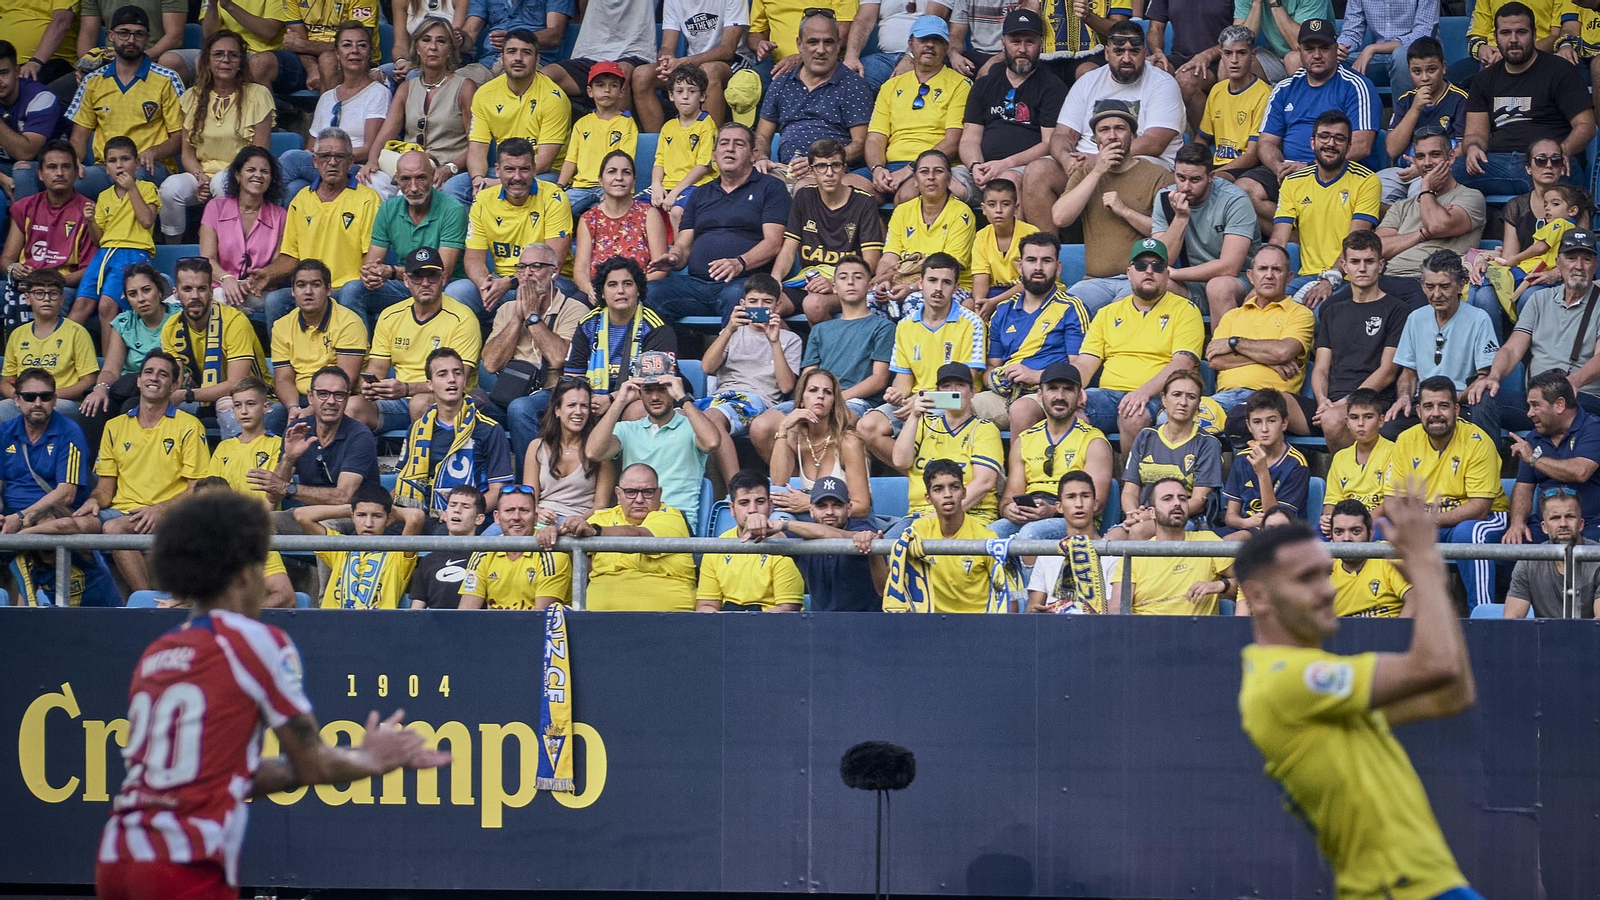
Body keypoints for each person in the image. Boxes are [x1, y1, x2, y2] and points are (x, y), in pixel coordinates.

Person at [94, 489, 447, 900]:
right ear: (246, 574)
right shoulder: (254, 642)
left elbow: (217, 777)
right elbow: (312, 763)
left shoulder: (157, 653)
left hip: (118, 855)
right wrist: (369, 759)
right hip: (183, 861)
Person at [1234, 500, 1480, 900]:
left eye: (1326, 574)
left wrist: (1432, 582)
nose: (1328, 590)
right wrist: (1424, 564)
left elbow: (1454, 695)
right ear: (1258, 597)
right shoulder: (1283, 679)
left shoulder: (1314, 684)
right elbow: (1437, 665)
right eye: (1307, 578)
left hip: (1429, 887)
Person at [58, 351, 209, 591]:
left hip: (169, 513)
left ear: (174, 385)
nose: (154, 378)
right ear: (138, 380)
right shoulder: (114, 426)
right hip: (121, 511)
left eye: (163, 374)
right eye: (148, 372)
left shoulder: (190, 426)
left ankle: (145, 600)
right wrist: (94, 501)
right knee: (70, 525)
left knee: (114, 529)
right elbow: (105, 489)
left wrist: (159, 509)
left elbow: (198, 489)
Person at [1237, 20, 1380, 233]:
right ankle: (1301, 240)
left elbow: (1362, 145)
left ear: (1336, 49)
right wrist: (1279, 168)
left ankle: (1310, 240)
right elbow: (1266, 142)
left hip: (1338, 170)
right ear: (1299, 51)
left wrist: (1310, 168)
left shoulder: (1356, 85)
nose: (1317, 55)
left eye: (1324, 48)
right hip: (1288, 170)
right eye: (1309, 48)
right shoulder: (1284, 88)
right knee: (1243, 191)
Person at [1382, 375, 1510, 608]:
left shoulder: (1478, 441)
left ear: (1456, 410)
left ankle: (1482, 614)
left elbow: (1480, 508)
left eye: (1443, 406)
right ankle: (1397, 615)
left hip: (1483, 518)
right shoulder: (1405, 440)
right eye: (1428, 406)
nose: (1436, 414)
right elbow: (1391, 500)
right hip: (1428, 521)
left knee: (1469, 534)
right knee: (1380, 533)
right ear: (1418, 411)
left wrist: (1427, 520)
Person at [750, 256, 894, 459]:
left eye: (858, 277)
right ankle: (795, 477)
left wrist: (835, 399)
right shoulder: (820, 330)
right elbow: (809, 375)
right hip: (816, 398)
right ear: (834, 287)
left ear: (869, 285)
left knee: (830, 422)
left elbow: (879, 379)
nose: (850, 282)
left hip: (856, 401)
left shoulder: (883, 327)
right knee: (761, 426)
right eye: (843, 277)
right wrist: (808, 400)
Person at [648, 122, 790, 321]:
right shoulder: (699, 194)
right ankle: (678, 342)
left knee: (743, 298)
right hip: (696, 285)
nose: (730, 148)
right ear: (714, 155)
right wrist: (674, 257)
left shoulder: (771, 187)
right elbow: (683, 245)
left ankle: (729, 343)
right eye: (724, 143)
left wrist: (740, 263)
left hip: (745, 281)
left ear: (753, 155)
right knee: (649, 292)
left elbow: (774, 243)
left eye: (738, 144)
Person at [1074, 237, 1204, 449]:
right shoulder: (1107, 313)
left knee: (1133, 415)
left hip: (1158, 397)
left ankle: (1130, 472)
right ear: (1129, 273)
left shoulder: (1185, 310)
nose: (1149, 271)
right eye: (1141, 265)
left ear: (1167, 274)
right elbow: (1085, 363)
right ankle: (1091, 470)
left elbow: (1183, 364)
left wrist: (1143, 392)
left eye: (1157, 266)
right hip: (1109, 394)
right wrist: (1071, 387)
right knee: (1068, 409)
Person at [1458, 2, 1595, 198]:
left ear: (1533, 34)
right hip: (1497, 164)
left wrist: (1563, 150)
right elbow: (1475, 134)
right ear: (1495, 36)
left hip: (1548, 161)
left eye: (1521, 32)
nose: (1513, 40)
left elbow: (1586, 126)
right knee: (1450, 171)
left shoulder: (1561, 71)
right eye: (1505, 33)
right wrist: (1473, 148)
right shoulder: (1483, 79)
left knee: (1553, 172)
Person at [857, 253, 985, 462]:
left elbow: (963, 387)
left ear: (956, 288)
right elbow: (903, 383)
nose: (938, 288)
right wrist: (895, 395)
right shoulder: (905, 325)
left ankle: (929, 473)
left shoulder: (971, 323)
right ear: (921, 283)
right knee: (866, 426)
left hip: (954, 402)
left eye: (946, 282)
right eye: (932, 280)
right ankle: (920, 472)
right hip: (915, 401)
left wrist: (924, 400)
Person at [1047, 102, 1174, 312]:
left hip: (1139, 279)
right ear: (1096, 139)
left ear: (1132, 135)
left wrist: (1125, 212)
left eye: (1120, 128)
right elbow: (1060, 217)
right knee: (1062, 312)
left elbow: (1168, 234)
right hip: (1094, 282)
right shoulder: (1084, 174)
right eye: (1104, 130)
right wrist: (1097, 171)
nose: (1112, 136)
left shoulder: (1157, 175)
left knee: (1118, 312)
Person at [1472, 229, 1600, 428]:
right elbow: (1512, 349)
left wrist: (1573, 382)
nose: (1578, 266)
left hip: (1580, 398)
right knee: (1483, 399)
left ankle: (1540, 447)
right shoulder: (1539, 299)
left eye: (1587, 259)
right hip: (1537, 400)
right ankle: (1496, 452)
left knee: (1562, 411)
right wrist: (1494, 377)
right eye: (1571, 258)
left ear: (1596, 265)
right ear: (1558, 263)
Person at [259, 128, 384, 325]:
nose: (332, 162)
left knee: (351, 292)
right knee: (275, 300)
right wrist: (268, 273)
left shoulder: (368, 199)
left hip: (345, 289)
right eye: (325, 156)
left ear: (351, 162)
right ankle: (283, 347)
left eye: (339, 156)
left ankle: (357, 345)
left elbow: (371, 257)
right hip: (310, 290)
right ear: (315, 161)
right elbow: (291, 257)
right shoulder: (301, 199)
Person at [351, 247, 484, 431]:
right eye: (417, 277)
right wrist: (369, 387)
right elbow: (377, 369)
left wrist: (406, 389)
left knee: (420, 403)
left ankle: (421, 451)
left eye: (432, 276)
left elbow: (456, 380)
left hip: (448, 400)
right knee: (352, 407)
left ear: (444, 279)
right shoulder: (390, 316)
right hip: (398, 400)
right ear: (406, 280)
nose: (425, 283)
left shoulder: (463, 318)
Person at [160, 30, 274, 243]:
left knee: (222, 182)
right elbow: (187, 154)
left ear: (241, 62)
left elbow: (260, 154)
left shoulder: (258, 95)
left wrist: (219, 178)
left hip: (242, 175)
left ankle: (226, 247)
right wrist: (200, 177)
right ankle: (173, 247)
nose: (225, 60)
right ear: (207, 60)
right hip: (201, 175)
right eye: (218, 54)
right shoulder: (192, 96)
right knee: (170, 188)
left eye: (233, 55)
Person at [538, 462, 698, 610]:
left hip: (668, 620)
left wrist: (596, 532)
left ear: (659, 493)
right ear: (618, 494)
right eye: (631, 492)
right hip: (599, 621)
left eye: (648, 492)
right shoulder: (601, 518)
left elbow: (640, 536)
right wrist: (554, 533)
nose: (639, 499)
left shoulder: (671, 516)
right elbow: (578, 545)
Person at [973, 231, 1087, 431]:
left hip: (1049, 392)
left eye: (1046, 261)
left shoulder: (1071, 308)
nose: (1038, 267)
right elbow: (991, 366)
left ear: (1058, 267)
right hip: (1005, 395)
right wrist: (994, 379)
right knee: (955, 405)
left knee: (1022, 409)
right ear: (1020, 266)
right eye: (1031, 260)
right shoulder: (1003, 310)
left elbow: (1079, 369)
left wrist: (1035, 376)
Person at [1467, 139, 1589, 325]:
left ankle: (1527, 344)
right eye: (1541, 160)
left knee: (1530, 296)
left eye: (1556, 160)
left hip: (1563, 276)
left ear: (1562, 165)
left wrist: (1555, 274)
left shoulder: (1576, 202)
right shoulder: (1516, 206)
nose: (1549, 165)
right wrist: (1487, 263)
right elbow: (1510, 257)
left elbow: (1583, 253)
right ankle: (1492, 344)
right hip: (1524, 273)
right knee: (1484, 296)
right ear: (1528, 168)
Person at [66, 6, 183, 198]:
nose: (131, 40)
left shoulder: (167, 78)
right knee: (73, 181)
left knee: (137, 177)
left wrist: (153, 152)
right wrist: (74, 162)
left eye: (138, 34)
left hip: (149, 166)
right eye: (124, 33)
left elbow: (180, 137)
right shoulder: (93, 81)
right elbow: (79, 137)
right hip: (105, 168)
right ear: (111, 35)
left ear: (147, 37)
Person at [557, 255, 676, 441]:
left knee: (637, 411)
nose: (620, 291)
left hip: (638, 399)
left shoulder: (656, 327)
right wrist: (586, 401)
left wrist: (612, 399)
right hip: (594, 400)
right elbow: (573, 377)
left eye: (627, 284)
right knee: (564, 407)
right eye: (612, 285)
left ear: (638, 290)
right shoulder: (588, 324)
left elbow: (655, 386)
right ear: (602, 293)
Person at [586, 368, 721, 532]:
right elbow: (593, 452)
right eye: (648, 390)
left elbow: (712, 442)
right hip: (629, 519)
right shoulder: (627, 429)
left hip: (673, 520)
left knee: (600, 534)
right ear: (640, 393)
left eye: (662, 389)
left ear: (672, 390)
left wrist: (683, 398)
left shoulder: (692, 427)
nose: (655, 397)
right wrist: (619, 401)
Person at [351, 150, 476, 327]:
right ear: (397, 180)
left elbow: (442, 273)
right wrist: (371, 274)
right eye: (405, 179)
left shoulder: (452, 209)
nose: (414, 187)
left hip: (440, 287)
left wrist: (392, 272)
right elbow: (372, 262)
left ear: (433, 176)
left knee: (455, 291)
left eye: (421, 178)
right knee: (353, 290)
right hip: (405, 284)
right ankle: (359, 344)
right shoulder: (388, 209)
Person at [1268, 111, 1382, 305]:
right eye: (1324, 136)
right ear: (1313, 142)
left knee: (1316, 310)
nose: (1331, 143)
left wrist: (1330, 279)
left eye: (1339, 139)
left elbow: (1355, 241)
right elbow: (1279, 239)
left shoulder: (1367, 181)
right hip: (1307, 276)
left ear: (1349, 146)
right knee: (1261, 308)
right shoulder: (1293, 182)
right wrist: (1263, 284)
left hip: (1349, 277)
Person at [698, 274, 803, 480]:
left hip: (757, 400)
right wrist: (729, 329)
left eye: (767, 302)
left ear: (777, 306)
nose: (759, 307)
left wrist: (774, 341)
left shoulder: (789, 339)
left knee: (712, 419)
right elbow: (707, 367)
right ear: (743, 304)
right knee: (681, 418)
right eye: (753, 301)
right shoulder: (731, 332)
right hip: (720, 398)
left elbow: (786, 386)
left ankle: (735, 487)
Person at [1387, 251, 1502, 439]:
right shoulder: (1415, 318)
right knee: (1388, 429)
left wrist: (1449, 401)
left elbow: (1484, 377)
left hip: (1461, 402)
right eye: (1430, 287)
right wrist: (1404, 397)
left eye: (1445, 286)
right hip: (1424, 403)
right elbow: (1408, 372)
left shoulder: (1479, 319)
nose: (1436, 294)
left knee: (1482, 410)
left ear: (1461, 285)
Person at [483, 241, 588, 444]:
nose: (527, 273)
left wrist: (532, 316)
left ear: (554, 272)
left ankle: (530, 466)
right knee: (471, 404)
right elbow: (490, 364)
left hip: (553, 393)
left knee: (520, 408)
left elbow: (558, 358)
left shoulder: (574, 309)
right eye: (522, 267)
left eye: (536, 266)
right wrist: (517, 319)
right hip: (510, 390)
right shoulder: (506, 309)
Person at [958, 10, 1065, 208]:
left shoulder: (1052, 87)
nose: (1022, 49)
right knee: (939, 179)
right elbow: (969, 138)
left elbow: (1049, 143)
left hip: (1023, 169)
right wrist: (975, 166)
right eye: (1015, 42)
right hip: (983, 169)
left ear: (1040, 45)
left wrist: (1006, 164)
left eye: (1030, 42)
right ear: (1003, 44)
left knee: (1007, 184)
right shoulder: (984, 84)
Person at [770, 138, 885, 323]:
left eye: (835, 165)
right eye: (821, 166)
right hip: (808, 281)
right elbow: (789, 249)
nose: (829, 173)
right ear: (811, 170)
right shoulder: (804, 196)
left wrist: (833, 282)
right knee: (762, 307)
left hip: (847, 284)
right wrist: (775, 278)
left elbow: (870, 263)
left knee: (813, 304)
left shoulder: (864, 202)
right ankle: (792, 342)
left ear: (844, 168)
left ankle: (824, 343)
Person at [451, 29, 571, 205]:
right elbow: (477, 147)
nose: (518, 58)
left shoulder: (554, 98)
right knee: (455, 187)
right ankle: (475, 224)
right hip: (504, 170)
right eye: (511, 52)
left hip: (543, 174)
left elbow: (545, 161)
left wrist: (498, 184)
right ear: (502, 58)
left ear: (537, 59)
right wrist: (478, 179)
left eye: (526, 52)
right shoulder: (485, 94)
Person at [994, 362, 1111, 544]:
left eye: (1068, 389)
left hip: (1073, 521)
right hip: (1030, 513)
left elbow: (1095, 504)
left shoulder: (1094, 442)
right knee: (991, 534)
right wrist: (1009, 509)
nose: (1060, 396)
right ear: (1040, 395)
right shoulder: (1024, 440)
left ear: (1079, 396)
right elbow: (1009, 497)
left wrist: (1053, 510)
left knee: (1031, 534)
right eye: (1053, 389)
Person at [392, 347, 515, 518]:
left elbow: (498, 490)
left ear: (464, 380)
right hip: (419, 514)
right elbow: (402, 482)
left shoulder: (490, 429)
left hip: (467, 519)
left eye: (457, 373)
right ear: (430, 384)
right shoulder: (417, 429)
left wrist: (460, 514)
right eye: (442, 374)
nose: (451, 379)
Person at [863, 16, 974, 204]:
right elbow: (875, 137)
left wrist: (910, 169)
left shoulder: (960, 84)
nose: (930, 45)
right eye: (923, 39)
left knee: (907, 196)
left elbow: (953, 141)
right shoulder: (891, 85)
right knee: (848, 189)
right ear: (910, 44)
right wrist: (877, 169)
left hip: (931, 166)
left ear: (946, 47)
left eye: (937, 40)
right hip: (889, 165)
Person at [1311, 235, 1408, 448]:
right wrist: (1322, 400)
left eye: (1369, 261)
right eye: (1355, 262)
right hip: (1330, 404)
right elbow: (1320, 369)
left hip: (1373, 401)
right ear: (1344, 266)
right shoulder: (1332, 311)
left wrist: (1346, 402)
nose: (1362, 268)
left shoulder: (1397, 310)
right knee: (1273, 407)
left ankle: (1346, 470)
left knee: (1332, 419)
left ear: (1381, 265)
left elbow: (1388, 371)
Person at [1205, 246, 1316, 428]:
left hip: (1269, 400)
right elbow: (1215, 360)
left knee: (1237, 421)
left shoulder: (1300, 314)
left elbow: (1283, 352)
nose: (1269, 275)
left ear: (1289, 277)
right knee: (1168, 419)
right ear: (1250, 276)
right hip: (1224, 398)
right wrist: (1269, 361)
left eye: (1277, 269)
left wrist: (1234, 343)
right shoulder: (1232, 316)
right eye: (1263, 269)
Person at [161, 256, 272, 438]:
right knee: (157, 406)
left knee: (226, 405)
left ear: (211, 292)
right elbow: (175, 383)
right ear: (176, 293)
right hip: (202, 395)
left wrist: (188, 395)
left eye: (201, 289)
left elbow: (236, 385)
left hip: (251, 398)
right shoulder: (171, 328)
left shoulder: (234, 322)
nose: (195, 296)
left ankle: (236, 455)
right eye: (187, 289)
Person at [463, 137, 573, 316]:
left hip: (548, 281)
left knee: (531, 291)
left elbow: (553, 263)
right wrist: (485, 284)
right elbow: (473, 259)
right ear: (497, 170)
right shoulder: (483, 201)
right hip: (501, 281)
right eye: (509, 169)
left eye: (524, 169)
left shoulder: (554, 197)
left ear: (534, 169)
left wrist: (510, 283)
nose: (517, 177)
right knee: (459, 292)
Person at [1052, 20, 1185, 168]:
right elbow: (1062, 134)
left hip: (1139, 161)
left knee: (1130, 167)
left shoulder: (1163, 83)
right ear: (1107, 53)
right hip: (1085, 161)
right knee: (1040, 170)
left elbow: (1154, 143)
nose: (1126, 59)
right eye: (1119, 52)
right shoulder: (1088, 81)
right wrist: (1067, 159)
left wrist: (1098, 160)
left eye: (1134, 52)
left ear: (1144, 53)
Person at [754, 11, 874, 175]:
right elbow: (762, 136)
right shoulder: (781, 84)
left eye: (828, 42)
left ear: (838, 44)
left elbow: (860, 144)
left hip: (832, 173)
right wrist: (762, 158)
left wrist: (822, 161)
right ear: (799, 44)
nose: (821, 50)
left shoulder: (854, 85)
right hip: (786, 171)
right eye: (813, 42)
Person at [1151, 142, 1257, 323]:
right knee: (1156, 283)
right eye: (1180, 177)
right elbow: (1162, 259)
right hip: (1192, 284)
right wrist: (1180, 218)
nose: (1185, 187)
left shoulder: (1235, 200)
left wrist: (1176, 274)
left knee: (1218, 286)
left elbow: (1229, 267)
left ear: (1211, 176)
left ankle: (1222, 342)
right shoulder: (1165, 199)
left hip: (1237, 281)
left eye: (1195, 180)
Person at [884, 458, 1006, 613]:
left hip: (977, 623)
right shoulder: (917, 531)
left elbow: (1007, 597)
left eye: (954, 487)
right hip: (931, 623)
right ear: (928, 498)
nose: (947, 494)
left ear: (964, 492)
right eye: (938, 489)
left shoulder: (987, 538)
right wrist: (873, 554)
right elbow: (887, 588)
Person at [369, 17, 475, 192]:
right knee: (371, 181)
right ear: (417, 48)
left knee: (415, 191)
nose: (433, 47)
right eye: (426, 40)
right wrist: (372, 162)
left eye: (441, 41)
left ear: (450, 49)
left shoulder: (465, 87)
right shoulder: (405, 88)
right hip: (406, 167)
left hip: (443, 170)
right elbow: (383, 137)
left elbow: (476, 144)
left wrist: (451, 167)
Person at [892, 362, 1005, 525]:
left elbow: (984, 483)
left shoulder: (984, 429)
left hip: (970, 516)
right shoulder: (924, 424)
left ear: (973, 392)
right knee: (888, 540)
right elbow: (900, 461)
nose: (953, 391)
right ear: (938, 393)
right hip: (918, 516)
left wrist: (935, 519)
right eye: (946, 386)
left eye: (960, 385)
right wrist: (914, 416)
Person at [870, 150, 978, 308]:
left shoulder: (961, 213)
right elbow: (889, 256)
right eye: (924, 172)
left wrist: (910, 286)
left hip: (948, 286)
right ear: (915, 180)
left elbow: (946, 266)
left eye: (938, 171)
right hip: (901, 281)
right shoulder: (902, 211)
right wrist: (884, 280)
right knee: (870, 301)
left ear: (949, 179)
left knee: (913, 303)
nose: (931, 177)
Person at [1375, 128, 1486, 281]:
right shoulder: (1401, 207)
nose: (1427, 163)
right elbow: (1377, 249)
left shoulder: (1470, 197)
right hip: (1388, 278)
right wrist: (1421, 233)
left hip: (1432, 283)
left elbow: (1436, 226)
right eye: (1420, 156)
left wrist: (1426, 187)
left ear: (1451, 157)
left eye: (1435, 155)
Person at [1504, 370, 1600, 545]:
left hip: (1591, 524)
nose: (1529, 413)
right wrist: (1517, 523)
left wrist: (1534, 459)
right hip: (1547, 527)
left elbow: (1581, 471)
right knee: (1516, 542)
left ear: (1559, 405)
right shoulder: (1533, 438)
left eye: (1535, 405)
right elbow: (1524, 487)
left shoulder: (1593, 429)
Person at [1112, 477, 1233, 614]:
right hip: (1145, 627)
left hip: (1195, 627)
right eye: (1167, 499)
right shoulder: (1134, 555)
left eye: (1182, 498)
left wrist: (1220, 585)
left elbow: (1246, 583)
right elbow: (1117, 609)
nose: (1177, 503)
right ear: (1151, 513)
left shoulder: (1208, 542)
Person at [1120, 370, 1224, 529]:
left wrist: (1151, 515)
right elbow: (1129, 491)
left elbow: (1198, 501)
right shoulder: (1145, 437)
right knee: (1113, 537)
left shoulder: (1208, 444)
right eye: (1177, 394)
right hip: (1142, 517)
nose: (1183, 402)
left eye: (1191, 397)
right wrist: (1133, 514)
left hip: (1185, 520)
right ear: (1164, 399)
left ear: (1198, 404)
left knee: (1139, 532)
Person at [296, 483, 428, 608]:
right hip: (334, 622)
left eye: (377, 516)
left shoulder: (397, 554)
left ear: (389, 519)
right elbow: (301, 516)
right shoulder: (341, 547)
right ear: (352, 516)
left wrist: (376, 508)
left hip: (376, 623)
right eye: (361, 515)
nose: (368, 523)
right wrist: (351, 508)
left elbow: (416, 517)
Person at [78, 265, 174, 436]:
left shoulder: (178, 318)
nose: (141, 299)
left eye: (146, 290)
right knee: (93, 408)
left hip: (160, 387)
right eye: (133, 294)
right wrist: (100, 389)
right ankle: (98, 455)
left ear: (159, 291)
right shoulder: (124, 322)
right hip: (128, 388)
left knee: (132, 408)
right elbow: (110, 370)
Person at [267, 366, 382, 507]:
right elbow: (273, 496)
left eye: (338, 395)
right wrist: (289, 458)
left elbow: (343, 497)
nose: (331, 401)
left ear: (347, 398)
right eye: (323, 394)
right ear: (310, 397)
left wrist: (288, 489)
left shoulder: (360, 436)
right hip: (309, 513)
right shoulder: (297, 429)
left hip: (351, 515)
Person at [269, 259, 369, 421]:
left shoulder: (349, 322)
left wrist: (310, 411)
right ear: (293, 291)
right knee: (270, 417)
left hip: (336, 399)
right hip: (300, 398)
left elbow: (346, 380)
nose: (308, 291)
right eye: (301, 285)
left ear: (328, 289)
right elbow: (283, 379)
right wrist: (293, 409)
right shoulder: (281, 326)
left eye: (315, 285)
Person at [84, 136, 160, 347]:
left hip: (133, 252)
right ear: (106, 168)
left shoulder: (147, 188)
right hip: (105, 254)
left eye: (125, 159)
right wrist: (90, 221)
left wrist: (132, 188)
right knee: (82, 304)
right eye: (113, 160)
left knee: (107, 306)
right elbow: (98, 240)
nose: (119, 165)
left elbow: (146, 220)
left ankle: (110, 362)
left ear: (137, 164)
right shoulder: (103, 196)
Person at [767, 367, 873, 518]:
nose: (820, 396)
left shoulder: (848, 443)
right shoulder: (795, 438)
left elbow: (862, 508)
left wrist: (811, 504)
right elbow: (779, 481)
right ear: (801, 400)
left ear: (833, 403)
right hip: (817, 517)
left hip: (850, 521)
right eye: (813, 390)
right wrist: (783, 428)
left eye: (827, 392)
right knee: (776, 501)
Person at [769, 475, 885, 611]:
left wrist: (784, 524)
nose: (829, 512)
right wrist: (757, 522)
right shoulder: (804, 532)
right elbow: (775, 538)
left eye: (837, 505)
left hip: (866, 620)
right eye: (821, 506)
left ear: (849, 509)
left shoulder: (862, 529)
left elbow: (883, 590)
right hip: (819, 621)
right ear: (811, 511)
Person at [2, 139, 95, 310]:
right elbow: (6, 259)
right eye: (52, 167)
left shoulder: (88, 211)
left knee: (55, 298)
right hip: (27, 282)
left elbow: (90, 270)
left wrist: (50, 284)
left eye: (66, 167)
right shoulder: (24, 207)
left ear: (76, 172)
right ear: (40, 173)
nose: (59, 173)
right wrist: (13, 268)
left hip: (63, 286)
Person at [695, 471, 805, 611]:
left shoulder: (784, 545)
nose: (752, 510)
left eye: (760, 502)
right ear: (732, 509)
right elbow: (706, 605)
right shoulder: (717, 547)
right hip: (728, 621)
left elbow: (787, 609)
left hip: (772, 622)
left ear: (770, 505)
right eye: (744, 503)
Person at [0, 368, 93, 530]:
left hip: (50, 514)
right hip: (10, 514)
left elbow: (67, 494)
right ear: (17, 400)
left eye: (45, 397)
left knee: (48, 524)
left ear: (54, 400)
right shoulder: (5, 431)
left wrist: (21, 517)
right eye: (29, 397)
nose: (38, 403)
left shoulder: (70, 432)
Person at [1378, 38, 1468, 204]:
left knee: (1420, 193)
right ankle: (1396, 218)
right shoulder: (1406, 100)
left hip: (1438, 172)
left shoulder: (1459, 99)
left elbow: (1463, 148)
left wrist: (1422, 169)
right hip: (1403, 172)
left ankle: (1407, 218)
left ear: (1444, 67)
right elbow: (1392, 149)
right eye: (1417, 72)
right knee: (1372, 188)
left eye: (1431, 70)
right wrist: (1415, 109)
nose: (1425, 78)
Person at [200, 146, 288, 315]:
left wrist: (257, 280)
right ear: (237, 175)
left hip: (258, 292)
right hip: (220, 289)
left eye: (264, 171)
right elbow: (207, 258)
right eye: (251, 170)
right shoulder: (215, 207)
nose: (258, 175)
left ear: (271, 179)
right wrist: (227, 279)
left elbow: (279, 263)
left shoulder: (280, 215)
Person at [0, 270, 95, 420]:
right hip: (25, 400)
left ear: (62, 299)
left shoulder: (77, 332)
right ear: (27, 298)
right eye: (39, 293)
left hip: (61, 401)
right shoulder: (17, 334)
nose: (46, 299)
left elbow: (88, 380)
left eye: (53, 293)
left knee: (59, 409)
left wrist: (48, 396)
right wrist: (23, 397)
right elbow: (6, 381)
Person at [574, 150, 669, 299]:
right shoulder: (588, 219)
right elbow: (581, 270)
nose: (619, 178)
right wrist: (590, 289)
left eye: (626, 172)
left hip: (640, 291)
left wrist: (628, 288)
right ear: (600, 180)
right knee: (575, 305)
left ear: (634, 181)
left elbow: (660, 269)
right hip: (599, 293)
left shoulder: (649, 214)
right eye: (612, 171)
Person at [634, 3, 742, 132]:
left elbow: (728, 50)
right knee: (642, 75)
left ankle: (711, 140)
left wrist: (685, 62)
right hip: (693, 63)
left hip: (733, 62)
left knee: (708, 71)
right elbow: (667, 46)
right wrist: (666, 60)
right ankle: (659, 141)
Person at [459, 485, 571, 609]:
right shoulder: (483, 553)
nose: (516, 517)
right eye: (509, 510)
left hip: (534, 621)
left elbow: (540, 617)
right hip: (494, 622)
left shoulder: (552, 554)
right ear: (497, 517)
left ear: (535, 518)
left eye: (524, 510)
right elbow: (466, 611)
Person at [1023, 470, 1120, 612]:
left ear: (1095, 504)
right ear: (1059, 507)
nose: (1079, 504)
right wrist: (1042, 613)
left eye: (1085, 496)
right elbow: (1032, 611)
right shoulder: (1046, 555)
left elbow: (1112, 613)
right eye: (1071, 497)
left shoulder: (1113, 555)